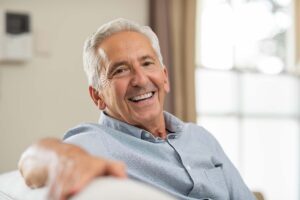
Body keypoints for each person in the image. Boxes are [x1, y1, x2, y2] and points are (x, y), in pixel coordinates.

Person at [18, 18, 256, 200]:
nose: (140, 80)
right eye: (120, 70)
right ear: (97, 96)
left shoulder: (201, 138)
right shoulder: (97, 143)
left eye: (147, 63)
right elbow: (31, 161)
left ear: (165, 78)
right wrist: (67, 159)